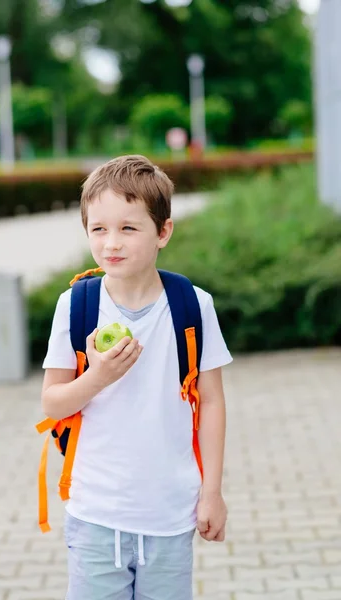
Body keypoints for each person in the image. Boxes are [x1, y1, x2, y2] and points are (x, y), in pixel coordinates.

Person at [41, 154, 233, 600]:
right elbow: (52, 403)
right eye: (99, 229)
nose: (112, 243)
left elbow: (213, 403)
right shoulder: (75, 306)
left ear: (163, 231)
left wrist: (212, 493)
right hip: (95, 512)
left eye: (129, 228)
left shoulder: (192, 305)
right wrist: (98, 376)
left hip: (170, 513)